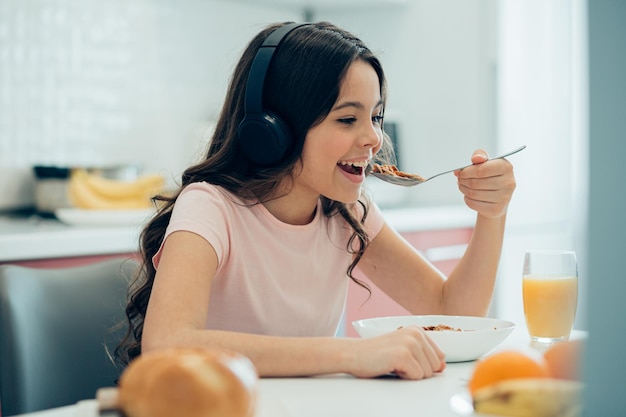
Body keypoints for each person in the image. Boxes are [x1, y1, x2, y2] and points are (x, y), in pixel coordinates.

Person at [115, 21, 516, 380]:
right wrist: (351, 354)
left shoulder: (346, 214)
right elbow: (167, 344)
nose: (374, 139)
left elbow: (454, 312)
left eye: (375, 117)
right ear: (273, 129)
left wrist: (492, 213)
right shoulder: (210, 207)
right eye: (347, 118)